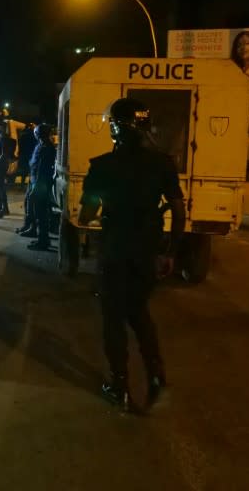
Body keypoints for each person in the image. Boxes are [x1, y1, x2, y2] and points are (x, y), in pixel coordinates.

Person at [78, 98, 186, 412]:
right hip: (147, 250)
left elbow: (87, 213)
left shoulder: (101, 166)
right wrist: (170, 252)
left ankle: (120, 384)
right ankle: (155, 377)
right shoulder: (163, 163)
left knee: (113, 316)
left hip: (114, 250)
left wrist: (92, 213)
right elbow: (178, 212)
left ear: (114, 126)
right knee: (138, 311)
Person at [26, 123, 56, 250]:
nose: (36, 134)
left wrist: (36, 188)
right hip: (36, 181)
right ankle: (40, 238)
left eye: (37, 132)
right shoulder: (41, 145)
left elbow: (42, 170)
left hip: (41, 183)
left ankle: (43, 241)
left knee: (41, 213)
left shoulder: (47, 148)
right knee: (37, 212)